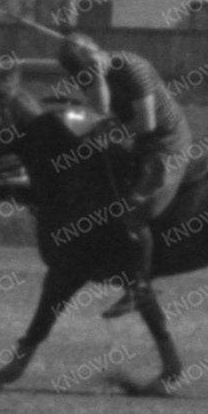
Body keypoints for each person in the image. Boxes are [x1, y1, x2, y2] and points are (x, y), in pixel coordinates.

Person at [55, 30, 193, 317]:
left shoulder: (133, 68)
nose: (87, 80)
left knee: (134, 209)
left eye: (89, 73)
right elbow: (99, 110)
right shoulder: (90, 72)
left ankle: (138, 289)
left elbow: (146, 124)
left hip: (166, 143)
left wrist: (110, 131)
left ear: (97, 52)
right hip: (135, 142)